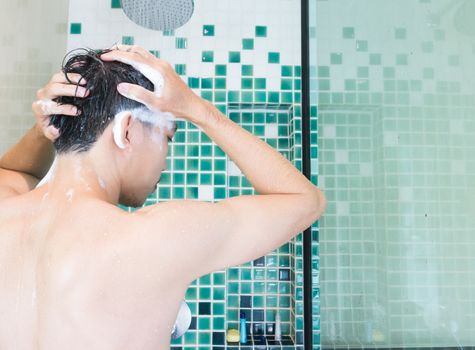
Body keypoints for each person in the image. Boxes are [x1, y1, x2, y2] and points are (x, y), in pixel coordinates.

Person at [0, 44, 326, 349]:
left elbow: (18, 173)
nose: (165, 161)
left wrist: (51, 124)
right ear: (126, 130)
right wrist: (197, 109)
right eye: (167, 136)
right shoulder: (155, 238)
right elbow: (305, 200)